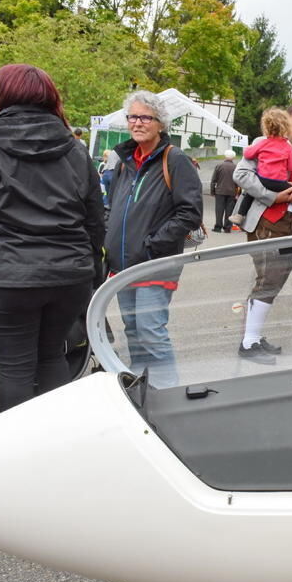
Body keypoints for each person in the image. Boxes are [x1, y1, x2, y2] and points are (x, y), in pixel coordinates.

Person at [0, 64, 105, 412]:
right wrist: (94, 270)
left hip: (7, 276)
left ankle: (17, 454)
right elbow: (94, 217)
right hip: (68, 275)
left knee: (15, 368)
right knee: (52, 357)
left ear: (5, 96)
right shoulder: (75, 150)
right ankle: (53, 445)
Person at [103, 90, 203, 387]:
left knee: (150, 331)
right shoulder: (124, 161)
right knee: (133, 330)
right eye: (132, 116)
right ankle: (143, 391)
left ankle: (170, 396)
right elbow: (113, 207)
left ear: (160, 123)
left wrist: (153, 245)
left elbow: (190, 213)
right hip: (122, 265)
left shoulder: (175, 160)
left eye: (145, 117)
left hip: (153, 264)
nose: (137, 123)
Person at [233, 103, 292, 364]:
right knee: (268, 279)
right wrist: (273, 195)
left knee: (276, 280)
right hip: (267, 221)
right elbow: (241, 175)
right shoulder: (264, 142)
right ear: (286, 121)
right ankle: (248, 342)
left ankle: (253, 337)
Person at [230, 108, 292, 234]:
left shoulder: (263, 144)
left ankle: (240, 215)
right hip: (278, 184)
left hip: (263, 180)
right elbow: (291, 167)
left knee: (249, 195)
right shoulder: (287, 147)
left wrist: (252, 151)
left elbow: (248, 153)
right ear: (288, 126)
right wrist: (272, 197)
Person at [210, 149, 237, 232]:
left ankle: (218, 227)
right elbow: (238, 181)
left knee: (219, 209)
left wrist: (212, 191)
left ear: (225, 156)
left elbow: (213, 180)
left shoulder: (219, 166)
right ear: (233, 157)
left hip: (220, 191)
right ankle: (227, 228)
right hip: (232, 192)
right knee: (229, 210)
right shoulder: (236, 167)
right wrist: (238, 192)